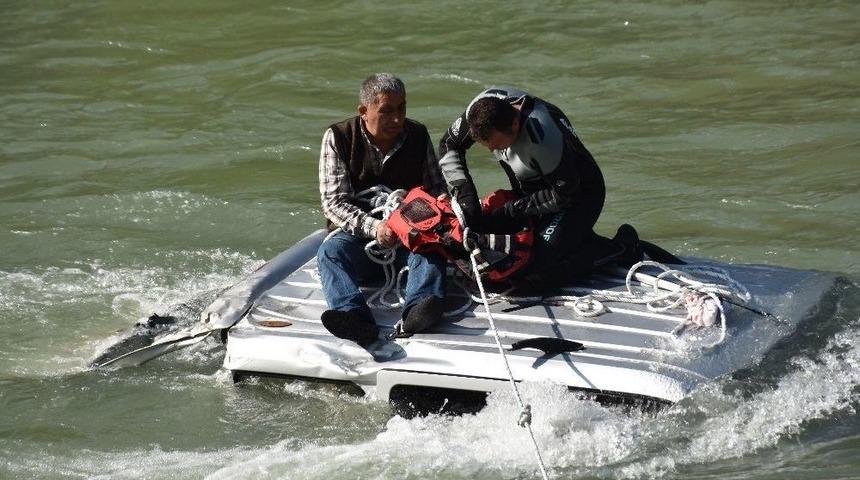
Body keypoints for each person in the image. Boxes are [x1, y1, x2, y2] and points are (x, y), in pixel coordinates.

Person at [438, 87, 639, 288]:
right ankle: (577, 239)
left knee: (531, 272)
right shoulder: (482, 109)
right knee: (488, 247)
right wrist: (466, 197)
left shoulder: (541, 137)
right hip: (531, 194)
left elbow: (564, 196)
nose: (491, 150)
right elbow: (449, 144)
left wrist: (512, 210)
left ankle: (621, 248)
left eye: (497, 145)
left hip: (577, 197)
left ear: (515, 123)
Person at [317, 73, 447, 347]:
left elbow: (436, 190)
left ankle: (419, 309)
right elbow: (334, 203)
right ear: (364, 111)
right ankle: (353, 316)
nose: (397, 119)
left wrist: (416, 220)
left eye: (401, 109)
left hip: (408, 234)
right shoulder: (338, 137)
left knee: (430, 250)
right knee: (330, 252)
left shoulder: (418, 135)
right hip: (359, 238)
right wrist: (376, 228)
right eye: (387, 110)